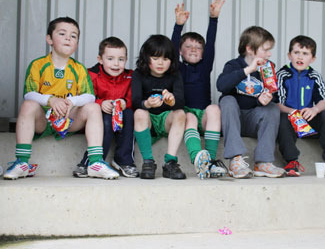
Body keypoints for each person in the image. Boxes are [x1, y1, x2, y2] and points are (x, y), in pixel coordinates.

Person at [4, 17, 119, 180]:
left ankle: (94, 163)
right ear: (49, 39)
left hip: (68, 120)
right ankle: (22, 163)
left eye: (74, 36)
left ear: (77, 43)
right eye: (62, 33)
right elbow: (29, 93)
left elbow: (90, 96)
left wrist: (72, 102)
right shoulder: (38, 65)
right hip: (43, 121)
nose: (68, 38)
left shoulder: (78, 68)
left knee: (93, 107)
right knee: (28, 104)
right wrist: (51, 100)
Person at [275, 35, 325, 177]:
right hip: (290, 117)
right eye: (296, 53)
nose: (300, 57)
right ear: (289, 55)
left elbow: (323, 101)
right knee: (282, 119)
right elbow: (277, 104)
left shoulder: (315, 76)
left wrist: (314, 109)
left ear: (312, 58)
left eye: (305, 54)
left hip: (308, 118)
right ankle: (291, 162)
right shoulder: (282, 75)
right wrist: (293, 112)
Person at [216, 26, 285, 179]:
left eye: (270, 50)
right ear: (249, 49)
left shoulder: (268, 68)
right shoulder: (233, 65)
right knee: (227, 100)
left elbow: (275, 96)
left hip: (254, 120)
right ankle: (235, 161)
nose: (269, 53)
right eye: (266, 50)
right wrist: (247, 70)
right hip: (233, 120)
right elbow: (221, 85)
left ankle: (263, 162)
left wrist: (266, 99)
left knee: (272, 108)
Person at [171, 0, 227, 179]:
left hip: (204, 116)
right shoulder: (177, 68)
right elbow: (171, 50)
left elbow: (210, 43)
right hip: (188, 115)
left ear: (203, 53)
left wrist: (214, 19)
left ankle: (209, 160)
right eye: (188, 46)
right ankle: (198, 159)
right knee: (188, 116)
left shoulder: (205, 67)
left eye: (198, 47)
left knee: (214, 108)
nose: (194, 49)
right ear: (180, 51)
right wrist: (178, 26)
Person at [73, 37, 138, 178]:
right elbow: (85, 97)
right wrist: (100, 102)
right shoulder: (92, 75)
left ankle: (124, 160)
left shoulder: (130, 76)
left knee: (130, 114)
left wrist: (125, 102)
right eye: (110, 59)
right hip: (99, 117)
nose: (116, 64)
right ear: (100, 59)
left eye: (121, 59)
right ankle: (91, 161)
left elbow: (135, 98)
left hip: (122, 116)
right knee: (106, 120)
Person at [132, 34, 187, 180]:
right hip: (147, 121)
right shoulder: (138, 74)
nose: (160, 63)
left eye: (165, 59)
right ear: (146, 58)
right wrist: (147, 104)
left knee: (180, 113)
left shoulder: (174, 75)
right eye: (155, 59)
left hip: (165, 120)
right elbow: (135, 101)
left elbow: (181, 101)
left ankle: (170, 162)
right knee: (139, 112)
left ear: (172, 60)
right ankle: (148, 162)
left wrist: (172, 101)